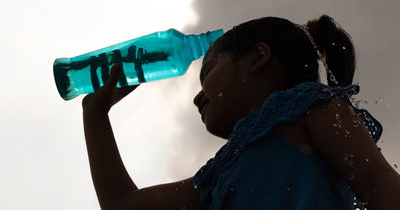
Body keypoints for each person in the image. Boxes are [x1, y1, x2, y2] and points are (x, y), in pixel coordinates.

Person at [82, 15, 400, 210]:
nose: (197, 98)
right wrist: (95, 117)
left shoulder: (310, 107)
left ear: (257, 57)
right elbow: (122, 205)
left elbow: (380, 183)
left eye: (206, 74)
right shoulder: (216, 176)